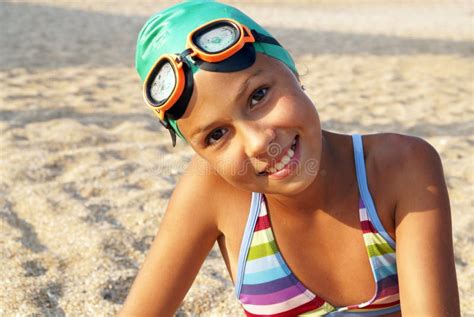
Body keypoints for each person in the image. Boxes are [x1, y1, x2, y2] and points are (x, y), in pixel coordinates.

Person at [119, 1, 460, 316]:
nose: (257, 143)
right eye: (217, 135)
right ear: (200, 153)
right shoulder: (210, 191)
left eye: (259, 95)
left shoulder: (402, 168)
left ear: (291, 70)